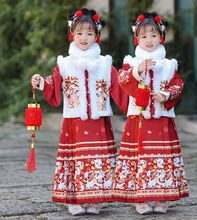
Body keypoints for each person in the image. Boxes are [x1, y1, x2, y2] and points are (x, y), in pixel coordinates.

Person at [31, 8, 128, 216]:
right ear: (72, 34)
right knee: (75, 159)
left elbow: (120, 88)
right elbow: (54, 84)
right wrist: (41, 82)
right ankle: (74, 200)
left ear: (97, 36)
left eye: (90, 33)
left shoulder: (105, 63)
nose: (84, 38)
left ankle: (95, 200)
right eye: (80, 33)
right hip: (74, 122)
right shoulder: (64, 64)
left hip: (99, 121)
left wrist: (137, 100)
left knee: (98, 159)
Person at [112, 12, 189, 214]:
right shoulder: (131, 61)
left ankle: (162, 198)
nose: (149, 41)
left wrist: (165, 94)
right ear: (137, 38)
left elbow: (178, 85)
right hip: (139, 118)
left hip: (162, 119)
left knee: (162, 158)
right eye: (144, 36)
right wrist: (139, 69)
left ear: (161, 36)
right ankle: (141, 199)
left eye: (153, 36)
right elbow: (122, 80)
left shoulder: (169, 64)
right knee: (140, 158)